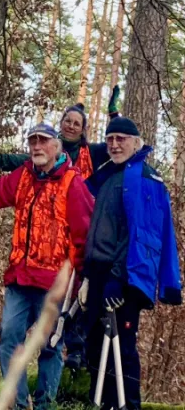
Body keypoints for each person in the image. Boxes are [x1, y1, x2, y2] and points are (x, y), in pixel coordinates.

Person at [0, 122, 93, 410]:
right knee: (8, 340)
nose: (37, 147)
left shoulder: (72, 183)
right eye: (32, 142)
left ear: (56, 147)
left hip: (55, 285)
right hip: (19, 278)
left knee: (50, 347)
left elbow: (83, 235)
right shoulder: (24, 175)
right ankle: (18, 403)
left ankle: (44, 405)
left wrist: (79, 281)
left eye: (43, 141)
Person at [78, 117, 182, 410]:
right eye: (110, 139)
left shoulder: (144, 179)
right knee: (96, 346)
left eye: (121, 138)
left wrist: (118, 277)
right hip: (100, 275)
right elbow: (99, 231)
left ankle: (128, 405)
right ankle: (104, 402)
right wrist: (89, 275)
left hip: (124, 278)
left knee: (122, 347)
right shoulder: (109, 176)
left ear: (137, 142)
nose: (114, 144)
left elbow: (141, 234)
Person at [0, 85, 121, 178]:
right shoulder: (51, 145)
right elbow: (26, 160)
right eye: (68, 121)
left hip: (79, 212)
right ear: (61, 123)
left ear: (82, 130)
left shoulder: (92, 153)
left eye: (76, 124)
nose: (71, 126)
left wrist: (114, 115)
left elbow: (118, 145)